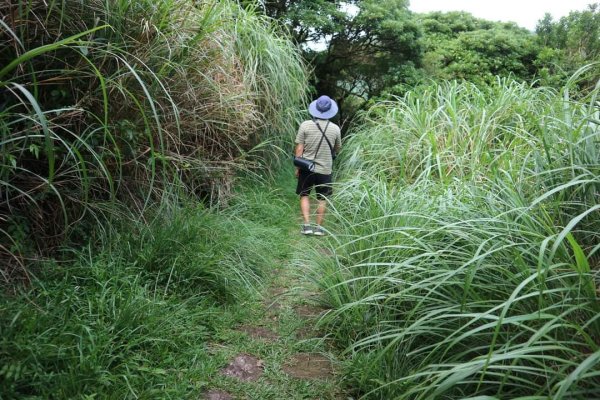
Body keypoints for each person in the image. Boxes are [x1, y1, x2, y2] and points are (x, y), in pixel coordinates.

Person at [294, 95, 341, 236]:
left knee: (304, 195)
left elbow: (299, 150)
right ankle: (319, 229)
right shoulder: (335, 129)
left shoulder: (305, 125)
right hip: (325, 169)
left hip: (306, 167)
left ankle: (307, 226)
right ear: (330, 111)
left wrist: (298, 168)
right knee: (322, 198)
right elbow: (337, 149)